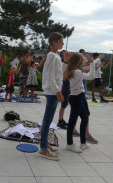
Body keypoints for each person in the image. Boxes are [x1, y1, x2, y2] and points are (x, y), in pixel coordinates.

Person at [39, 32, 70, 161]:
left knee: (49, 119)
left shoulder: (54, 56)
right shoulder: (51, 56)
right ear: (53, 43)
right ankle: (44, 149)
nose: (62, 43)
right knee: (47, 120)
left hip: (53, 91)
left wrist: (66, 61)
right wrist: (58, 91)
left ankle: (45, 145)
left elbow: (58, 72)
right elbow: (51, 77)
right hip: (52, 92)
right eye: (60, 41)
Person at [63, 52, 99, 153]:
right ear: (78, 61)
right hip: (76, 98)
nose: (84, 61)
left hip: (79, 96)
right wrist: (92, 64)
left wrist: (92, 63)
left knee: (84, 118)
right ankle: (69, 144)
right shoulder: (76, 72)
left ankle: (83, 143)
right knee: (72, 121)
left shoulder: (74, 70)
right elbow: (91, 76)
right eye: (83, 59)